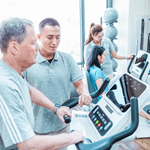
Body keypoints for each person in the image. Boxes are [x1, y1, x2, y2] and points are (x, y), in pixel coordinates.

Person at [0, 17, 85, 150]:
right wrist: (72, 137)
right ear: (14, 47)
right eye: (33, 43)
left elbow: (30, 91)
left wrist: (56, 108)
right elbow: (27, 144)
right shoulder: (4, 84)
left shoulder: (14, 74)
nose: (37, 47)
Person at [23, 18, 92, 149]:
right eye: (50, 37)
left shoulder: (67, 59)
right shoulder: (28, 62)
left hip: (62, 126)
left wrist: (85, 93)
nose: (55, 42)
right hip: (37, 128)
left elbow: (79, 83)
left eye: (58, 37)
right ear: (39, 37)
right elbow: (27, 91)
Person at [86, 45, 130, 112]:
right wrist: (108, 106)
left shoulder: (91, 68)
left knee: (120, 76)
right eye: (103, 55)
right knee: (131, 106)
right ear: (98, 57)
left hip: (110, 96)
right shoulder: (97, 71)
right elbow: (101, 92)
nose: (104, 58)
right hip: (109, 99)